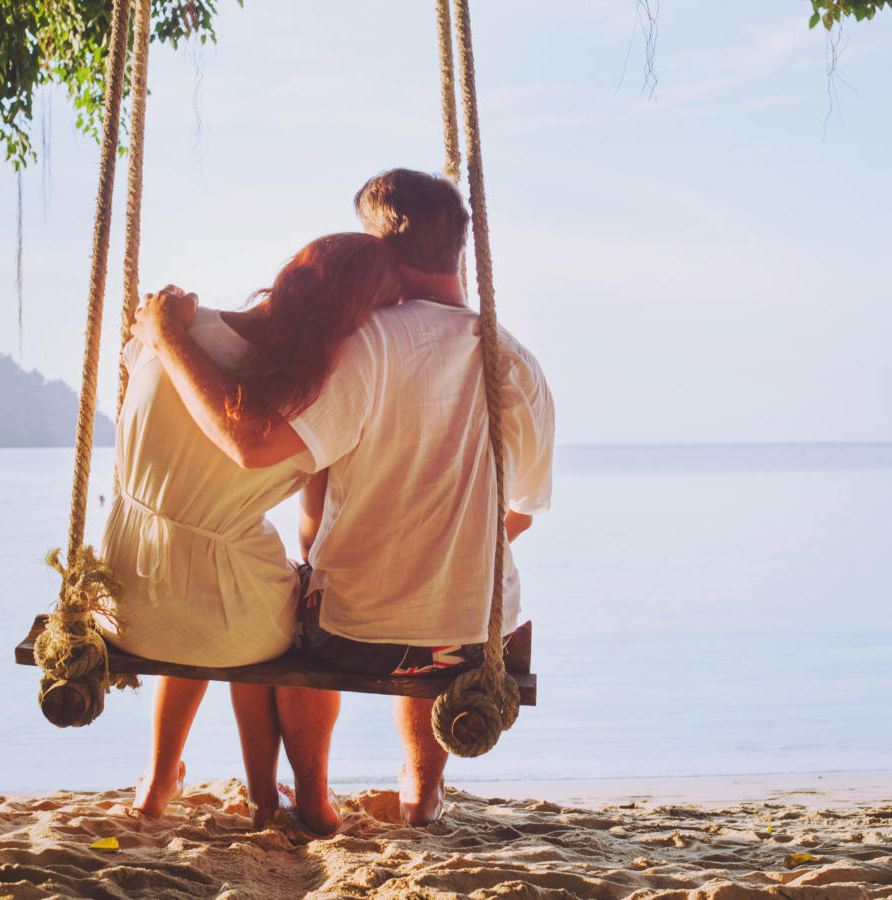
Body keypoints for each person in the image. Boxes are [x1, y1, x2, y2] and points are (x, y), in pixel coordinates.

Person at [131, 167, 555, 828]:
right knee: (428, 613)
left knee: (300, 612)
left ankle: (312, 795)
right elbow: (522, 510)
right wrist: (444, 551)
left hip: (351, 637)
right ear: (459, 248)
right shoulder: (518, 362)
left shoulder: (363, 349)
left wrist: (169, 334)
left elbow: (272, 463)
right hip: (471, 640)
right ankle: (420, 791)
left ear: (380, 246)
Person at [97, 232, 402, 820]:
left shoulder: (163, 331)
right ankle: (266, 795)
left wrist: (166, 330)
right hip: (224, 616)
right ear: (358, 322)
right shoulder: (312, 402)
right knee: (262, 599)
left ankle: (159, 780)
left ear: (290, 274)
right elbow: (312, 535)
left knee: (214, 578)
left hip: (119, 596)